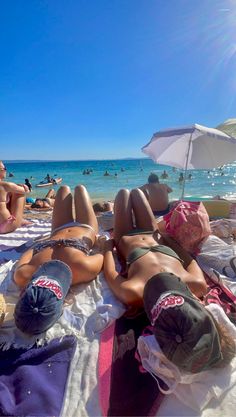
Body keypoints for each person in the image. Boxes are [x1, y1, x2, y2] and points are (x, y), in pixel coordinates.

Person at [102, 188, 235, 373]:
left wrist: (108, 245)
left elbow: (109, 271)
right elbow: (188, 258)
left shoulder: (136, 293)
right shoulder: (196, 285)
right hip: (155, 237)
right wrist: (166, 240)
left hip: (128, 239)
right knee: (138, 195)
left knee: (124, 194)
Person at [13, 184, 104, 334]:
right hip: (81, 228)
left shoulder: (83, 269)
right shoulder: (23, 276)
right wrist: (43, 246)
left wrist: (42, 244)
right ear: (23, 294)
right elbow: (103, 251)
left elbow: (30, 250)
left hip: (65, 231)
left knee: (64, 189)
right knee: (79, 189)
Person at [0, 160, 29, 234]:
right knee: (19, 193)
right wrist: (23, 186)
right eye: (4, 169)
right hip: (6, 226)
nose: (6, 170)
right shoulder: (5, 185)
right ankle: (19, 220)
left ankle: (19, 220)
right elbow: (26, 191)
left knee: (8, 196)